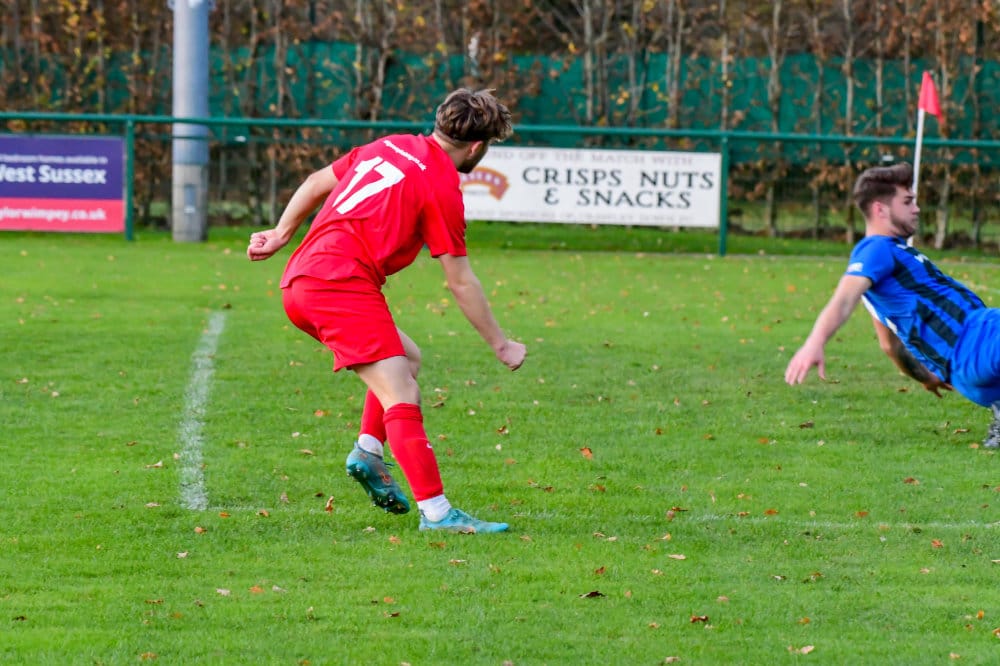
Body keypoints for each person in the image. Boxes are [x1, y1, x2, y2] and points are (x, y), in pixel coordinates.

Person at [247, 88, 528, 532]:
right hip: (339, 286)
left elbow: (317, 180)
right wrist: (501, 344)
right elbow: (460, 281)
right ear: (477, 147)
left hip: (304, 278)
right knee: (402, 394)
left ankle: (368, 451)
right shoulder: (441, 185)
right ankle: (438, 514)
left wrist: (282, 233)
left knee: (408, 359)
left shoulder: (390, 145)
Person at [784, 162, 1000, 449]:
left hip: (967, 373)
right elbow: (844, 299)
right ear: (880, 209)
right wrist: (815, 342)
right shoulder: (876, 249)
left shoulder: (887, 267)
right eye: (907, 202)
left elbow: (890, 346)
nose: (917, 209)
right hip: (977, 341)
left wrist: (925, 377)